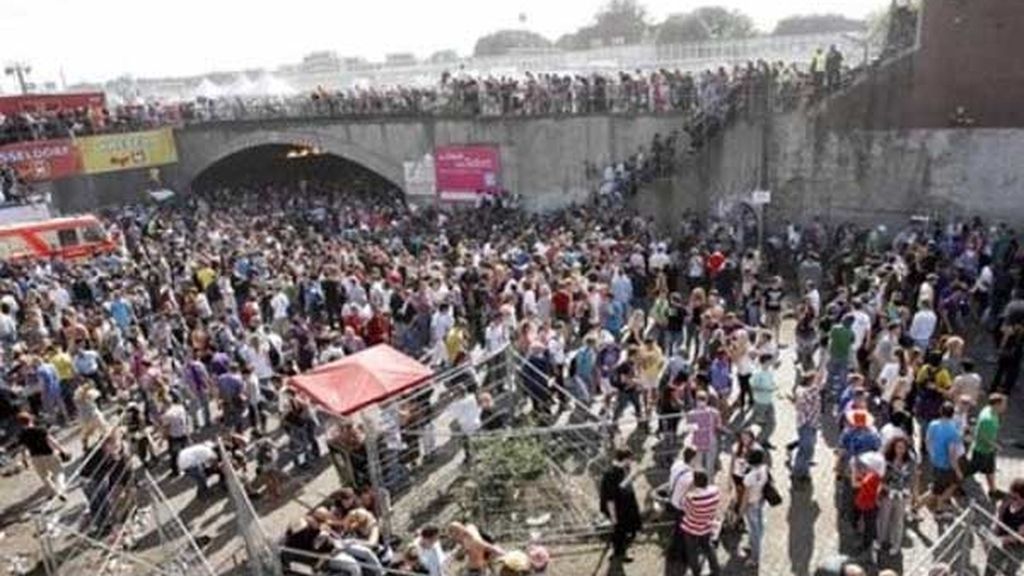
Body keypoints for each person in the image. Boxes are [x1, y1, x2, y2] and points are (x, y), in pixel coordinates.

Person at [599, 448, 642, 563]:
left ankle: (621, 549)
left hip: (624, 507)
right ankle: (619, 553)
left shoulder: (621, 469)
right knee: (619, 532)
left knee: (623, 531)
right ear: (625, 459)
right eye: (630, 460)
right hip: (618, 510)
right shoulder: (610, 475)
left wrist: (631, 477)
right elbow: (610, 498)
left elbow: (621, 487)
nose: (631, 462)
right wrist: (613, 517)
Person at [877, 435, 915, 553]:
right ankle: (880, 540)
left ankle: (896, 544)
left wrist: (908, 492)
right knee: (883, 518)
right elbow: (880, 478)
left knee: (898, 521)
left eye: (903, 448)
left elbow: (912, 479)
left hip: (901, 496)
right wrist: (886, 488)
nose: (900, 450)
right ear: (893, 447)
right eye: (898, 447)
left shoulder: (910, 462)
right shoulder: (886, 460)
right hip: (887, 494)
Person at [16, 412, 67, 499]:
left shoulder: (21, 435)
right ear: (31, 419)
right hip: (48, 454)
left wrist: (24, 460)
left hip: (35, 457)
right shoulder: (40, 429)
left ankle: (52, 490)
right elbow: (52, 441)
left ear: (20, 423)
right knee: (59, 473)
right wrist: (62, 450)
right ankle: (61, 490)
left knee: (44, 477)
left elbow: (22, 449)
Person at [970, 393, 1008, 499]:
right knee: (968, 471)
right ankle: (952, 485)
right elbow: (982, 436)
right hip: (981, 451)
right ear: (997, 404)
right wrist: (996, 446)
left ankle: (993, 491)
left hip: (988, 451)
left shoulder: (989, 410)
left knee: (990, 470)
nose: (1005, 407)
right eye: (1004, 404)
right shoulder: (988, 419)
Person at [984, 478, 1024, 576]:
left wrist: (997, 539)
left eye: (1015, 498)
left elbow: (1017, 536)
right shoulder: (1007, 500)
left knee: (1009, 571)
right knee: (990, 566)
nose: (1012, 500)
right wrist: (992, 533)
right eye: (1011, 496)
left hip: (1017, 547)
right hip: (1000, 539)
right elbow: (999, 518)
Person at [741, 447, 769, 567]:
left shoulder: (749, 477)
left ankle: (754, 558)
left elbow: (746, 496)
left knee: (754, 530)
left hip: (751, 503)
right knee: (759, 525)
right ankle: (752, 543)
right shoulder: (764, 469)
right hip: (760, 499)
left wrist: (741, 509)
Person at [749, 353, 778, 448]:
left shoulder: (770, 371)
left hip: (769, 401)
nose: (772, 362)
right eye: (770, 360)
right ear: (765, 361)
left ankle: (763, 439)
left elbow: (772, 382)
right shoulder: (758, 373)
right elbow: (753, 386)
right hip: (760, 402)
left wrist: (774, 387)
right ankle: (757, 441)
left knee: (772, 423)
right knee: (760, 422)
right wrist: (766, 389)